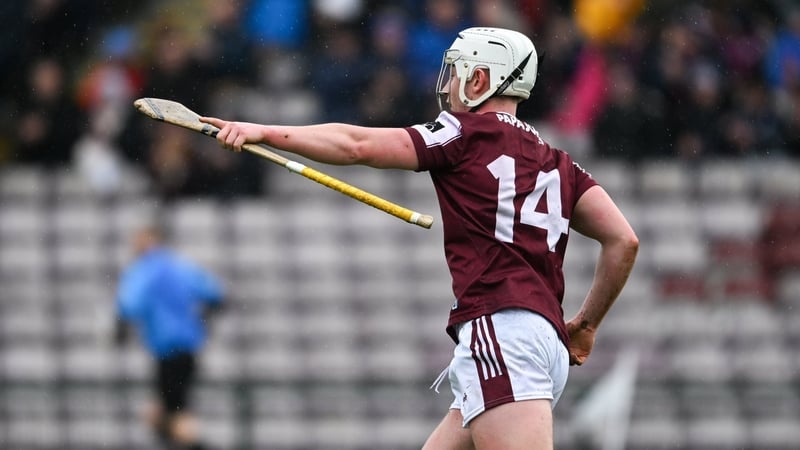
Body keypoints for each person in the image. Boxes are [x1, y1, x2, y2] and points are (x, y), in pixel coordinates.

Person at [201, 26, 638, 450]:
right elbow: (623, 240)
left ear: (480, 79)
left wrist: (266, 132)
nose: (448, 88)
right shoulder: (559, 162)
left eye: (457, 73)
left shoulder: (463, 132)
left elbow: (355, 145)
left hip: (503, 331)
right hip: (542, 341)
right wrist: (586, 324)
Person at [115, 225, 224, 450]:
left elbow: (129, 304)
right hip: (188, 349)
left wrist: (120, 329)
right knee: (163, 411)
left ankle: (194, 445)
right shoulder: (180, 266)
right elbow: (215, 294)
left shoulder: (144, 269)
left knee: (174, 412)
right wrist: (203, 319)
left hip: (167, 350)